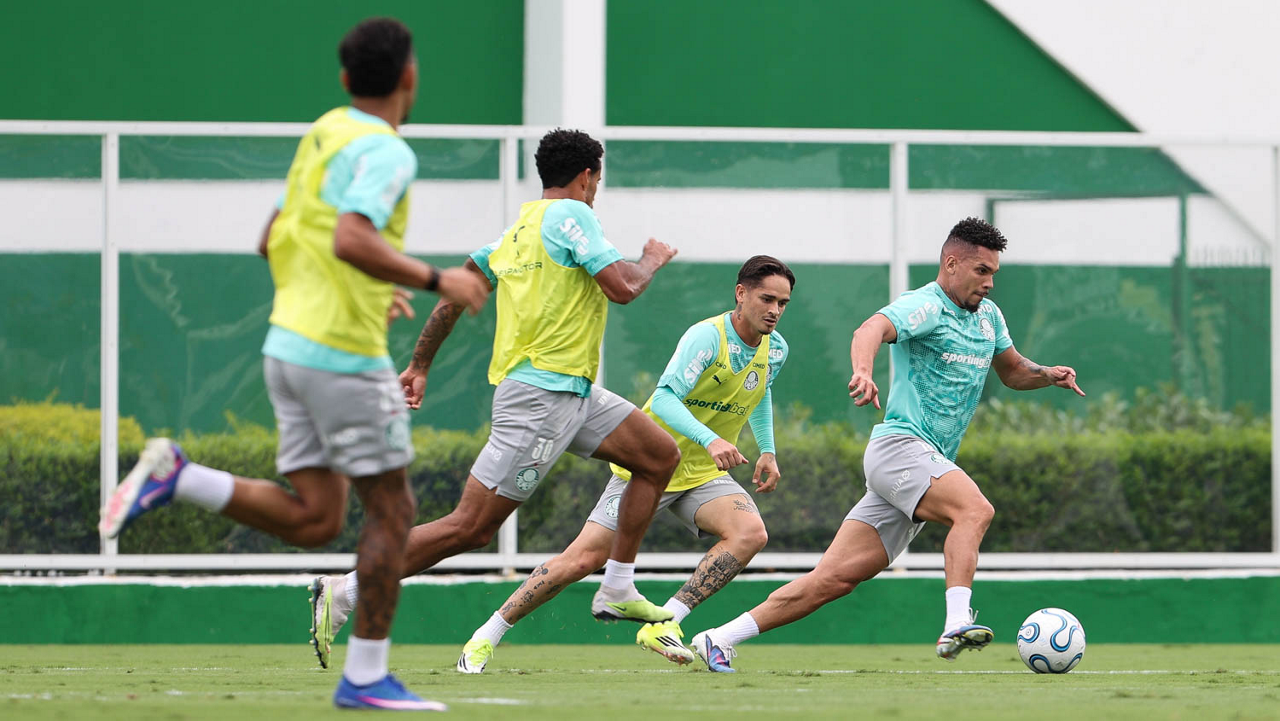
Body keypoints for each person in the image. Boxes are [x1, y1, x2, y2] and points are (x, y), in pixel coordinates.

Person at [98, 17, 489, 710]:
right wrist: (438, 279)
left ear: (344, 79)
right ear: (409, 76)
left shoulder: (324, 133)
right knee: (394, 509)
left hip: (287, 347)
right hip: (340, 356)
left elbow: (274, 237)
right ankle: (366, 677)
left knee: (317, 519)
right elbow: (350, 237)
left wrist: (365, 286)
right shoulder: (388, 150)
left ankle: (178, 475)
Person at [308, 128, 684, 667]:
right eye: (597, 180)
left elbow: (455, 294)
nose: (596, 190)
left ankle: (617, 587)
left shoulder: (516, 232)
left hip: (572, 391)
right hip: (541, 397)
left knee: (658, 455)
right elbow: (622, 288)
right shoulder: (572, 215)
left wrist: (420, 364)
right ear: (587, 177)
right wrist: (650, 259)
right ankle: (345, 589)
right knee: (471, 526)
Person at [689, 217, 1085, 672]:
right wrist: (863, 371)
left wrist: (1046, 374)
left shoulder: (989, 317)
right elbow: (869, 330)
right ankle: (957, 622)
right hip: (901, 449)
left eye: (993, 272)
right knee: (975, 510)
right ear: (951, 264)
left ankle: (718, 638)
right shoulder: (926, 306)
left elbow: (1012, 371)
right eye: (981, 271)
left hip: (923, 465)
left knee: (832, 580)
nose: (989, 282)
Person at [452, 255, 793, 673]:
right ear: (741, 294)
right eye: (767, 299)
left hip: (703, 475)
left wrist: (768, 450)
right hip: (650, 469)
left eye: (783, 303)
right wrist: (711, 439)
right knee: (581, 561)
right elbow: (664, 398)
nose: (775, 310)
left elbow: (760, 390)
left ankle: (664, 624)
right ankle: (486, 635)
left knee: (750, 533)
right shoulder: (707, 338)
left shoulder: (776, 348)